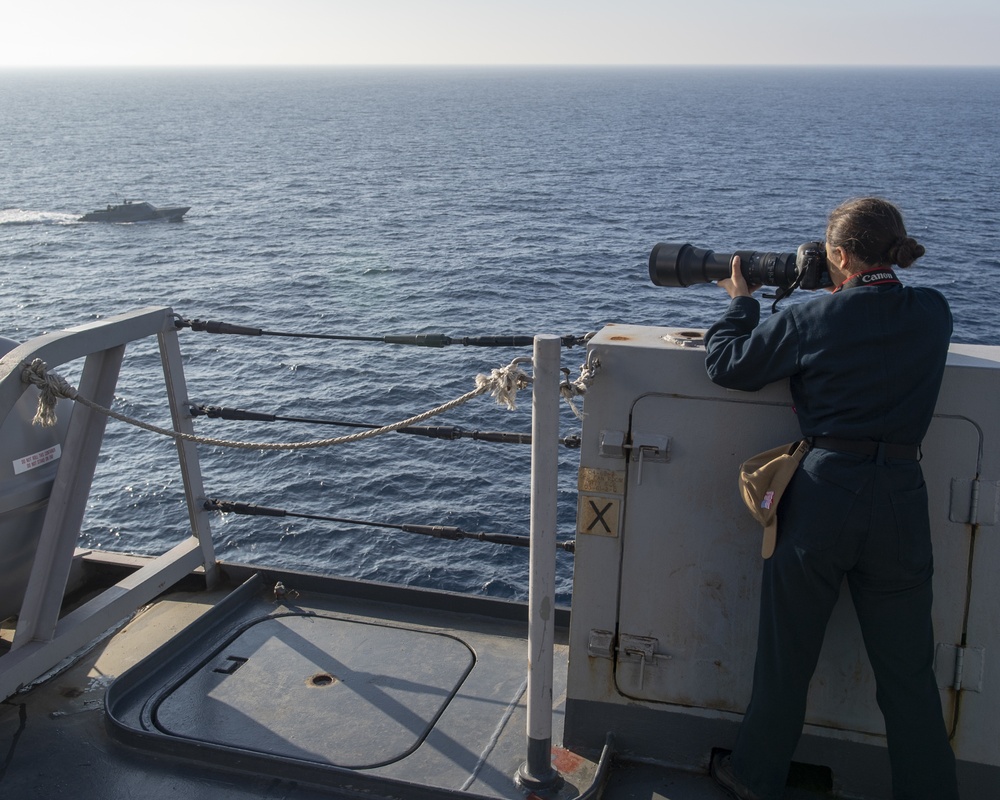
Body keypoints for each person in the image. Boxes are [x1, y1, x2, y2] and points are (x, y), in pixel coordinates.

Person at [703, 197, 960, 800]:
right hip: (900, 496)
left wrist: (742, 304)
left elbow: (727, 365)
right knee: (908, 674)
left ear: (837, 255)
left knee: (787, 656)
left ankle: (756, 774)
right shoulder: (934, 312)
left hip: (824, 492)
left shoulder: (812, 320)